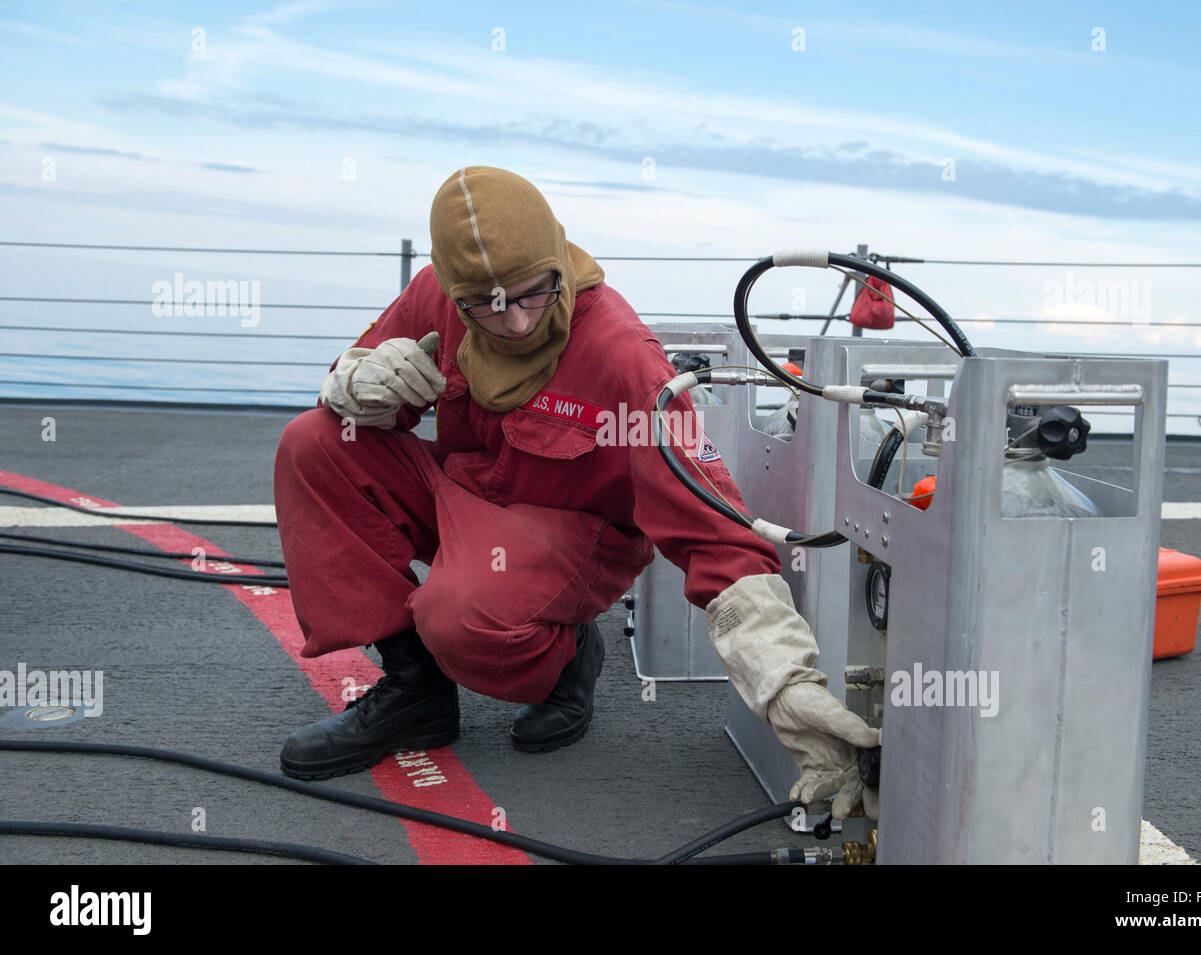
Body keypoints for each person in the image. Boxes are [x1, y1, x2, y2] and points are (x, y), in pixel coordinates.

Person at [273, 166, 879, 819]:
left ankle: (568, 656)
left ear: (557, 259)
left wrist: (783, 680)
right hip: (465, 498)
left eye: (534, 292)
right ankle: (415, 688)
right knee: (314, 442)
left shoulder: (620, 353)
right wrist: (360, 384)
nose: (514, 322)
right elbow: (350, 388)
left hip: (571, 538)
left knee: (458, 614)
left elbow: (714, 524)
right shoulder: (435, 298)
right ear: (453, 290)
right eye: (485, 304)